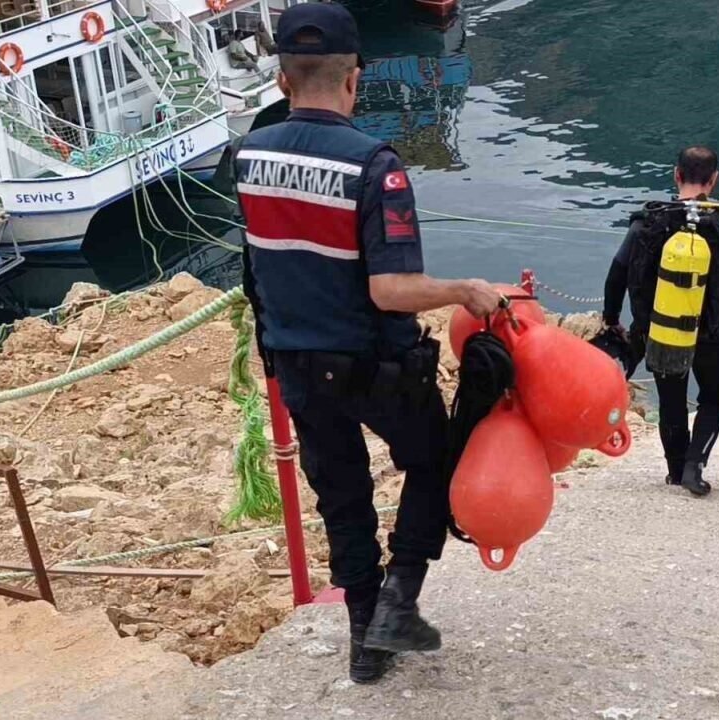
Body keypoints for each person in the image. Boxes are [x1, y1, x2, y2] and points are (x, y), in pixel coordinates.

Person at [230, 3, 501, 685]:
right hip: (375, 363)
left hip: (296, 360)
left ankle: (363, 641)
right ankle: (398, 600)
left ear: (283, 79)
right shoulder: (376, 168)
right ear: (356, 78)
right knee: (433, 462)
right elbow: (391, 289)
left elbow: (258, 265)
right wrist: (464, 289)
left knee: (342, 497)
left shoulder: (248, 156)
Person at [602, 146, 719, 497]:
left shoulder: (649, 219)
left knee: (672, 402)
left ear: (676, 174)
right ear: (714, 180)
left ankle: (675, 470)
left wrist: (611, 319)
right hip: (714, 332)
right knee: (713, 399)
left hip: (661, 329)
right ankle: (695, 467)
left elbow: (617, 273)